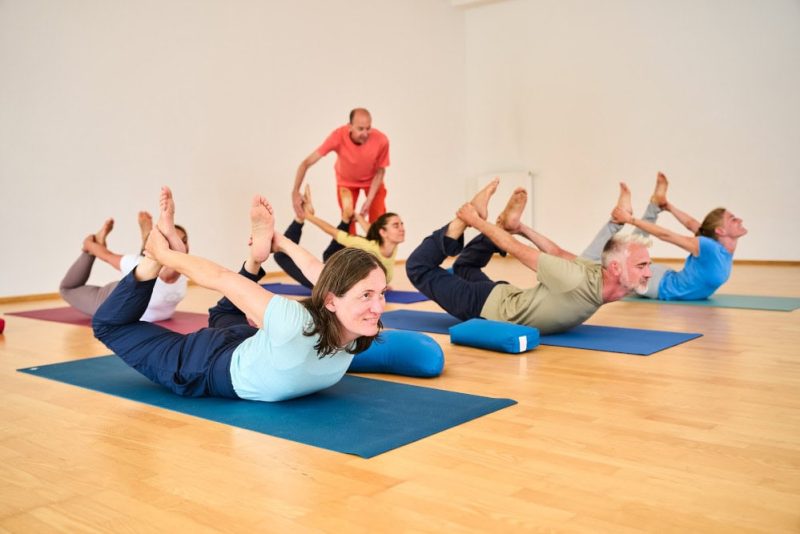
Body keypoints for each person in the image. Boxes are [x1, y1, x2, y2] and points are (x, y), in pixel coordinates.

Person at [92, 186, 388, 402]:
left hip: (253, 343)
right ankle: (150, 263)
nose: (377, 308)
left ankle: (255, 259)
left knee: (223, 315)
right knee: (109, 325)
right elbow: (220, 278)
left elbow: (318, 271)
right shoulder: (294, 323)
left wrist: (280, 242)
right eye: (366, 295)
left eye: (381, 294)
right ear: (331, 301)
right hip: (207, 364)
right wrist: (164, 255)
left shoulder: (357, 328)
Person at [405, 179, 653, 335]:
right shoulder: (575, 279)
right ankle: (461, 221)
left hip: (503, 298)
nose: (649, 273)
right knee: (418, 267)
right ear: (616, 269)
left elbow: (558, 252)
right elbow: (515, 248)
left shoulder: (595, 271)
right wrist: (474, 221)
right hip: (485, 309)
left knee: (464, 267)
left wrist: (520, 227)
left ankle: (505, 223)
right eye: (642, 266)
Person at [595, 172, 747, 300]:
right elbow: (666, 235)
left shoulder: (718, 247)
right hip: (657, 284)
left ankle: (656, 205)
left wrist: (668, 206)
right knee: (603, 267)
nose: (740, 220)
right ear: (720, 231)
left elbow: (691, 223)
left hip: (662, 275)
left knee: (631, 250)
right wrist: (631, 220)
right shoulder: (709, 247)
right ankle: (625, 216)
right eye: (733, 219)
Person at [59, 211, 188, 321]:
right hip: (113, 299)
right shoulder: (136, 263)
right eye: (174, 240)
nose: (181, 245)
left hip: (137, 291)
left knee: (146, 266)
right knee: (67, 289)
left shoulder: (188, 268)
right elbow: (106, 256)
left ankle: (147, 239)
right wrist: (89, 244)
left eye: (184, 241)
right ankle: (95, 247)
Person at [274, 186, 404, 288]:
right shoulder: (369, 245)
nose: (402, 229)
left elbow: (372, 231)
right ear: (383, 232)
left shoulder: (391, 244)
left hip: (335, 269)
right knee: (280, 255)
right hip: (327, 280)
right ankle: (340, 219)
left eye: (401, 224)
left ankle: (345, 220)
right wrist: (308, 216)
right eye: (396, 225)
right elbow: (331, 230)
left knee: (331, 254)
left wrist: (357, 217)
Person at [292, 108, 390, 232]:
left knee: (379, 223)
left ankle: (376, 250)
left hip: (373, 182)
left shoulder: (381, 140)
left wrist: (369, 200)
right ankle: (353, 251)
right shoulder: (337, 136)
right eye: (360, 129)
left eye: (368, 128)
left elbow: (380, 171)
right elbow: (306, 163)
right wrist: (295, 191)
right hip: (346, 183)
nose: (365, 133)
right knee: (347, 222)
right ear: (349, 126)